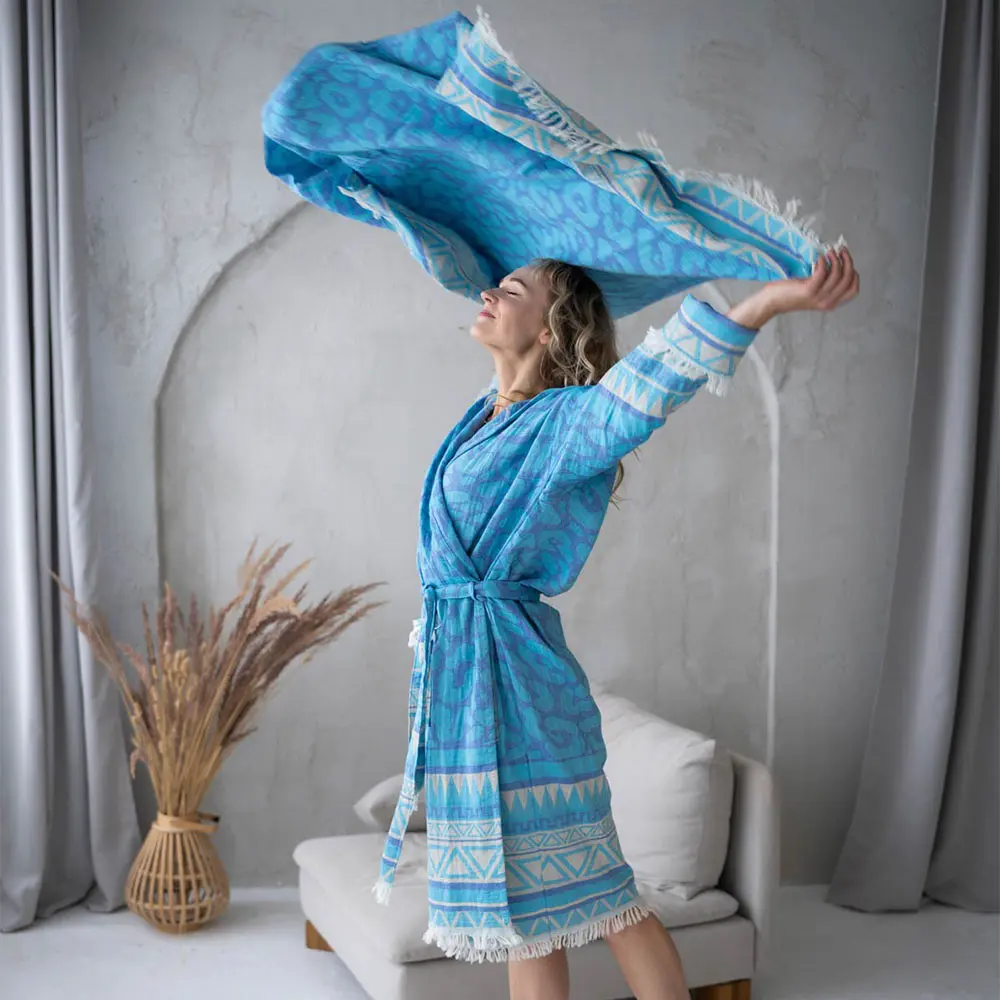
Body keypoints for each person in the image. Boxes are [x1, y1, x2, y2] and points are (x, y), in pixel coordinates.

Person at [375, 249, 859, 1000]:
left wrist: (764, 304)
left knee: (607, 897)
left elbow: (647, 390)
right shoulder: (483, 417)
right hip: (471, 687)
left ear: (550, 330)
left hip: (522, 696)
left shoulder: (567, 421)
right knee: (529, 916)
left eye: (511, 290)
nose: (488, 294)